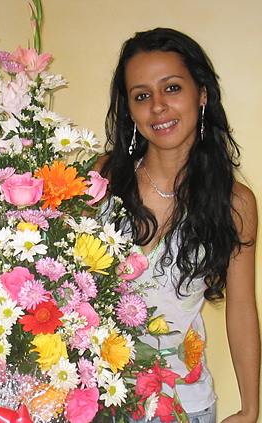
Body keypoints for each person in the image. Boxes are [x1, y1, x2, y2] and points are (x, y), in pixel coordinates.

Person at [98, 28, 260, 423]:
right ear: (130, 110)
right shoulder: (102, 178)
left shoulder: (234, 202)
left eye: (171, 88)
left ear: (202, 94)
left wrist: (251, 410)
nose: (157, 107)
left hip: (183, 405)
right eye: (141, 96)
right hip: (96, 399)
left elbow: (240, 309)